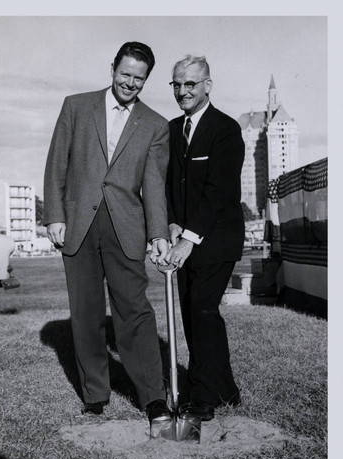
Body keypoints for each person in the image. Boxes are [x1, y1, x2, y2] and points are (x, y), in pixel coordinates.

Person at [43, 42, 171, 426]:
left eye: (139, 78)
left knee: (135, 313)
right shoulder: (75, 106)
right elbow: (56, 165)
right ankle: (95, 395)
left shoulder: (155, 125)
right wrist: (54, 216)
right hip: (78, 226)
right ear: (112, 67)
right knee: (85, 314)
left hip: (126, 228)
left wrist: (159, 233)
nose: (130, 82)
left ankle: (153, 398)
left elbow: (154, 186)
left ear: (147, 79)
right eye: (125, 73)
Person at [165, 55, 245, 421]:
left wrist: (188, 239)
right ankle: (226, 389)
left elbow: (217, 191)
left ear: (207, 86)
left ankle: (203, 399)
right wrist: (170, 226)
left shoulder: (226, 130)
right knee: (196, 314)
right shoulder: (170, 130)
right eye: (177, 84)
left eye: (190, 84)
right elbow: (167, 187)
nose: (183, 91)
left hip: (216, 241)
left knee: (202, 311)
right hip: (184, 240)